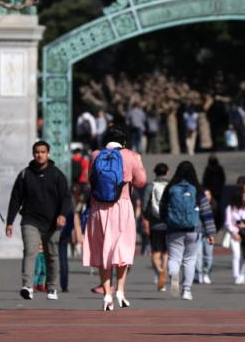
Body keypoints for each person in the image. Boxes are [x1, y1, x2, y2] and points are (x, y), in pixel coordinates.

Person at [82, 127, 147, 311]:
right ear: (123, 142)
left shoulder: (96, 155)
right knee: (123, 249)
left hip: (99, 208)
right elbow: (141, 181)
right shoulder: (131, 155)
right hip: (122, 206)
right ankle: (120, 290)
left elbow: (90, 180)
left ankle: (106, 294)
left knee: (103, 251)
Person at [6, 140, 73, 301]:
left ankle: (52, 287)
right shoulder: (25, 174)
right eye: (37, 152)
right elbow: (16, 199)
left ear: (48, 153)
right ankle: (27, 286)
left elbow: (66, 198)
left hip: (52, 222)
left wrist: (63, 215)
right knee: (30, 251)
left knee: (52, 255)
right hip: (30, 220)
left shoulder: (57, 175)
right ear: (33, 154)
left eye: (43, 152)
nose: (40, 155)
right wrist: (10, 222)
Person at [160, 161, 216, 301]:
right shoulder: (197, 189)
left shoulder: (170, 188)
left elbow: (162, 208)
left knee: (174, 258)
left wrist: (167, 221)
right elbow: (206, 212)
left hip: (174, 230)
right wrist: (210, 233)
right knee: (190, 260)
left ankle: (174, 274)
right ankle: (186, 290)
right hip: (194, 229)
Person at [142, 163, 170, 291]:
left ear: (154, 172)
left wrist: (145, 220)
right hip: (169, 223)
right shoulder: (170, 186)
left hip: (154, 224)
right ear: (167, 172)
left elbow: (144, 205)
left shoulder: (150, 186)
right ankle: (164, 272)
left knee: (155, 252)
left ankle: (159, 271)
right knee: (165, 252)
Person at [225, 186, 245, 284]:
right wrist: (234, 232)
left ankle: (242, 275)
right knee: (236, 254)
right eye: (243, 197)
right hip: (234, 234)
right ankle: (236, 274)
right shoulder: (230, 208)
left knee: (244, 255)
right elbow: (228, 223)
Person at [194, 188, 216, 284]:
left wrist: (212, 233)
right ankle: (198, 273)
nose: (206, 197)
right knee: (198, 256)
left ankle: (206, 273)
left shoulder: (214, 208)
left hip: (208, 234)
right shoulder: (196, 206)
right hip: (198, 233)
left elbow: (218, 221)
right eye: (204, 195)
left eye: (208, 195)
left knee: (208, 256)